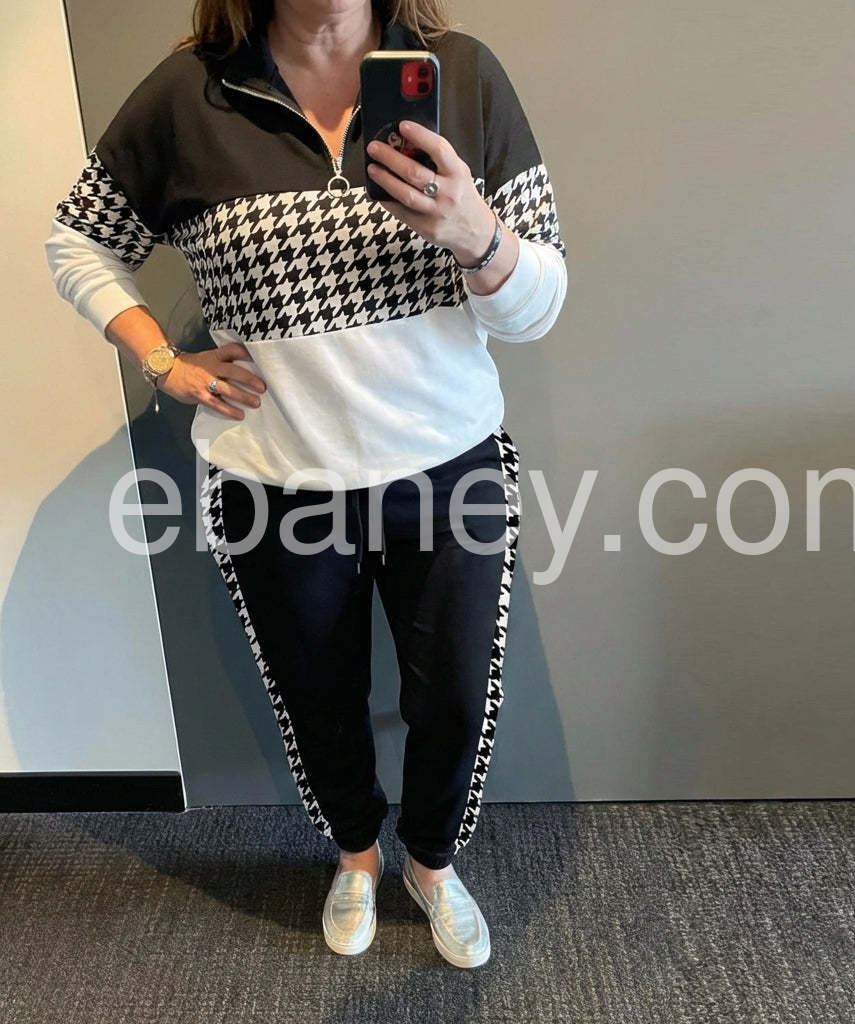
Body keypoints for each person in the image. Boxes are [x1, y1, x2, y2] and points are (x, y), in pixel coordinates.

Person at [44, 0, 566, 968]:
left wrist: (475, 232)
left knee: (455, 699)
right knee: (314, 696)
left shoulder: (461, 74)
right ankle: (356, 855)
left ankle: (432, 863)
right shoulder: (191, 94)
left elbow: (537, 310)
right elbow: (77, 239)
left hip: (448, 466)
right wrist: (163, 362)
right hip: (274, 482)